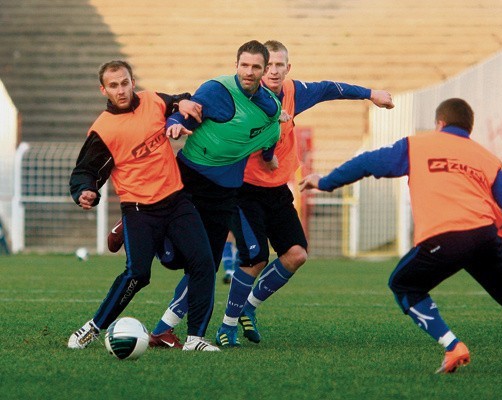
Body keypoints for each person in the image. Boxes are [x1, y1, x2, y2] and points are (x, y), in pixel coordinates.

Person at [299, 98, 502, 375]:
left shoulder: (419, 144)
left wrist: (325, 182)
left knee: (403, 284)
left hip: (444, 237)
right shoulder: (485, 157)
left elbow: (367, 162)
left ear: (440, 123)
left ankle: (452, 345)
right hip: (485, 237)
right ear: (468, 129)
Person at [215, 40, 395, 347]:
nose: (273, 71)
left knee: (297, 255)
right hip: (243, 190)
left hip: (276, 191)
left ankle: (249, 308)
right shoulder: (241, 97)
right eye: (267, 65)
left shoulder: (295, 93)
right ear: (258, 68)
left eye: (279, 65)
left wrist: (371, 94)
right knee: (255, 258)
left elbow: (329, 88)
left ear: (288, 68)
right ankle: (227, 326)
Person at [67, 60, 220, 352]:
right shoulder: (104, 129)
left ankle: (195, 338)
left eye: (124, 83)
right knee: (138, 274)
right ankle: (94, 327)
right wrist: (84, 191)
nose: (121, 90)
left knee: (203, 263)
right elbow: (85, 171)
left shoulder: (153, 101)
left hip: (176, 201)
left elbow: (177, 102)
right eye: (113, 86)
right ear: (104, 90)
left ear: (132, 81)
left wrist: (184, 104)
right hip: (139, 211)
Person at [147, 40, 283, 348]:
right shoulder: (216, 90)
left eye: (256, 67)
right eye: (244, 65)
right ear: (236, 64)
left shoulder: (269, 107)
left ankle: (164, 331)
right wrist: (174, 125)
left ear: (263, 71)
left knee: (205, 264)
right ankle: (141, 228)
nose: (249, 72)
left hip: (224, 192)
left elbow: (269, 136)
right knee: (176, 258)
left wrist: (269, 156)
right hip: (190, 178)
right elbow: (187, 112)